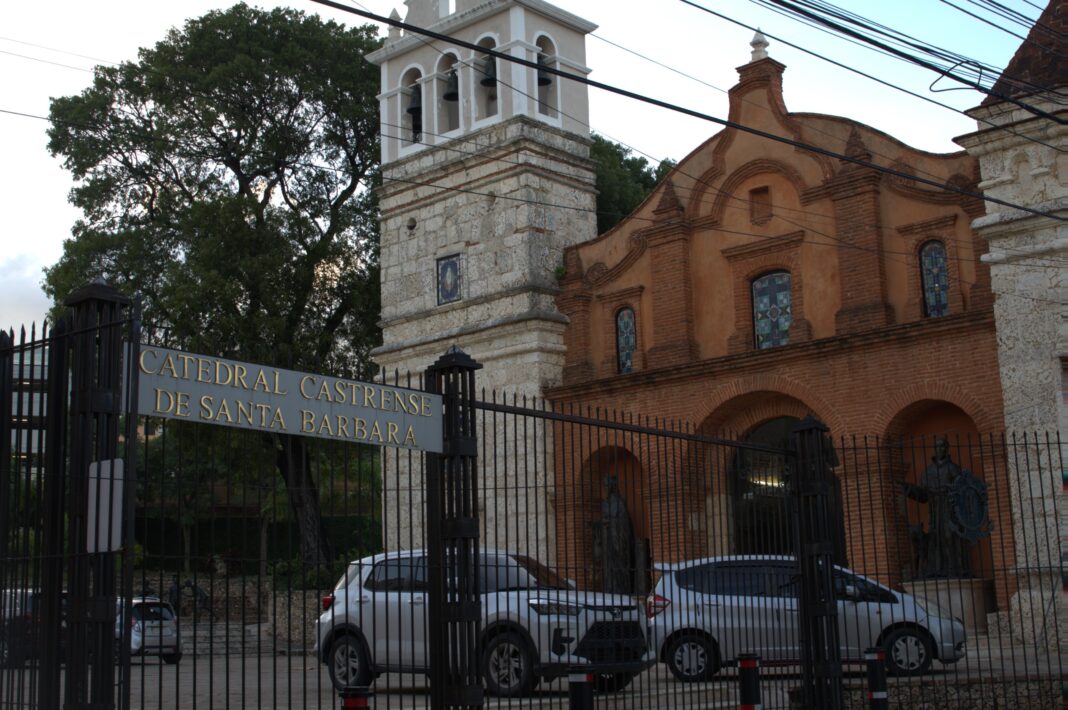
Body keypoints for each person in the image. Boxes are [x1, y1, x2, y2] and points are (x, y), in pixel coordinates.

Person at [903, 436, 969, 578]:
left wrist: (949, 490)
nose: (940, 449)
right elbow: (923, 495)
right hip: (935, 509)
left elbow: (962, 490)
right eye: (937, 446)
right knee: (935, 538)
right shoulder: (928, 471)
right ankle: (937, 570)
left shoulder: (953, 468)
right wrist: (909, 489)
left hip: (950, 509)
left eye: (943, 446)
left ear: (947, 448)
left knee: (950, 535)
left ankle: (955, 569)